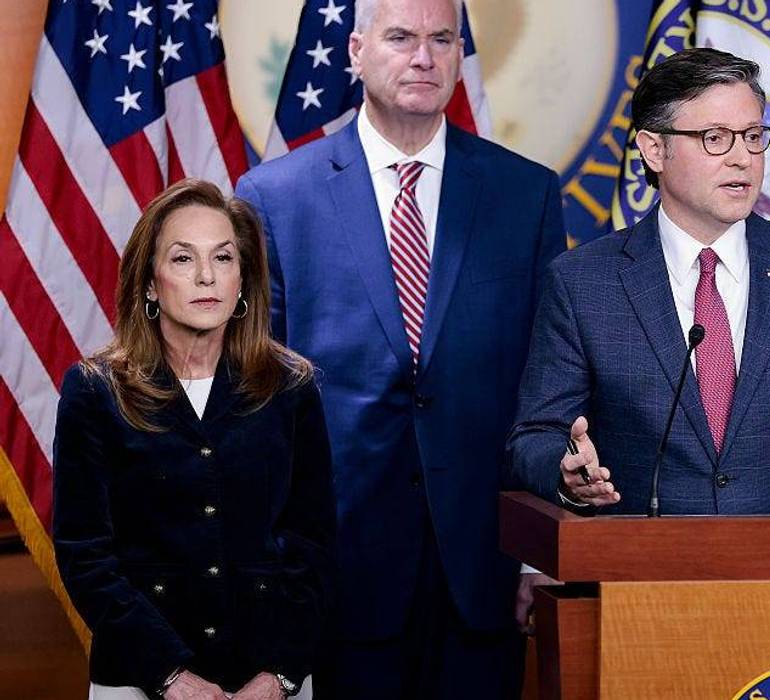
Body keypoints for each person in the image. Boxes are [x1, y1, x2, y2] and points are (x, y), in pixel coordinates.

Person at [233, 0, 565, 695]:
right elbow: (258, 409)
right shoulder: (274, 197)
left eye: (442, 38)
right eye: (401, 38)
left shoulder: (524, 193)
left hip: (484, 570)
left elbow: (547, 388)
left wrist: (540, 558)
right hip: (335, 576)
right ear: (355, 51)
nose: (423, 57)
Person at [508, 47, 770, 518]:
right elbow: (536, 434)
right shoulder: (584, 282)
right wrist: (566, 473)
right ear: (653, 148)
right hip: (639, 575)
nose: (743, 158)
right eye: (715, 138)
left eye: (752, 136)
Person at [52, 178, 334, 700]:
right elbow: (83, 554)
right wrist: (170, 676)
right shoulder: (95, 391)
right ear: (151, 284)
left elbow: (312, 544)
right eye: (183, 259)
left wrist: (278, 675)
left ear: (243, 280)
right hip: (140, 673)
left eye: (223, 258)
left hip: (270, 676)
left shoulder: (291, 386)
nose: (207, 276)